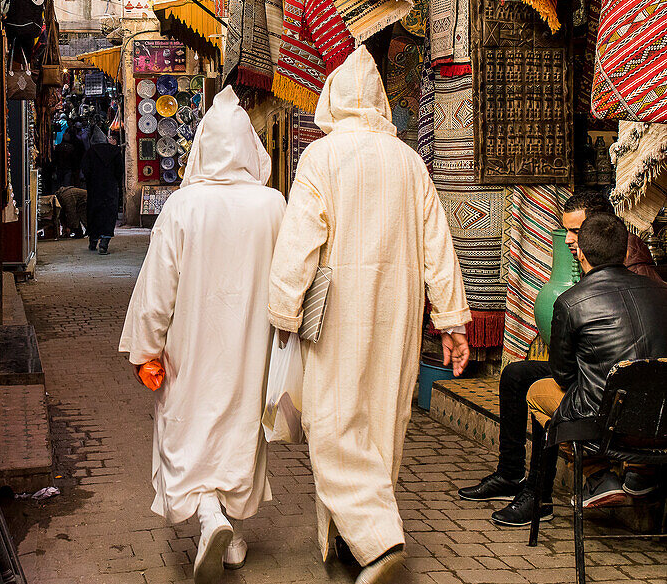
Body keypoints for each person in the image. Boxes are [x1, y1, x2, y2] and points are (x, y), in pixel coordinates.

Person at [267, 47, 471, 584]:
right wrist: (450, 319)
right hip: (399, 309)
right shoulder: (410, 161)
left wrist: (283, 307)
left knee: (331, 422)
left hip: (337, 310)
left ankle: (379, 542)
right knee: (382, 419)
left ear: (331, 98)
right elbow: (438, 245)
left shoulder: (321, 158)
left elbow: (299, 242)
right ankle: (350, 536)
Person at [119, 87, 285, 584]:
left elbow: (157, 289)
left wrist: (146, 350)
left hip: (189, 353)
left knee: (188, 432)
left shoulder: (182, 207)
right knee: (238, 435)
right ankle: (227, 529)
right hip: (252, 354)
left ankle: (211, 517)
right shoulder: (274, 206)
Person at [458, 192, 665, 525]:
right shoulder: (625, 271)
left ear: (601, 231)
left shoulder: (634, 272)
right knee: (516, 374)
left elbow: (577, 371)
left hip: (623, 398)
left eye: (577, 233)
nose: (570, 241)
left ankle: (547, 492)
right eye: (567, 232)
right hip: (617, 387)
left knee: (544, 392)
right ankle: (512, 475)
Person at [522, 214, 667, 517]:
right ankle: (641, 471)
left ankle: (597, 473)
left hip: (605, 424)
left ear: (582, 255)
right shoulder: (663, 291)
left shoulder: (571, 301)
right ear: (625, 252)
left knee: (536, 392)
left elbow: (563, 374)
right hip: (660, 421)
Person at [81, 126, 121, 254]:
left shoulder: (90, 153)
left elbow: (85, 170)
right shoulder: (115, 152)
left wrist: (91, 180)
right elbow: (119, 171)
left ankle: (93, 240)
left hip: (95, 188)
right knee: (109, 213)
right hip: (110, 188)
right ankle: (104, 243)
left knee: (94, 212)